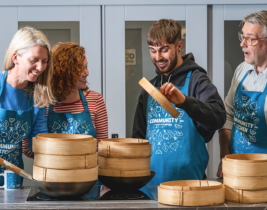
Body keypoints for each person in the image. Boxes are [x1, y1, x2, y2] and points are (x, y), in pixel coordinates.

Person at [132, 19, 226, 185]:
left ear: (179, 46)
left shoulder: (197, 80)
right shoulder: (149, 89)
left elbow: (218, 117)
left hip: (190, 187)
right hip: (150, 189)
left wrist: (184, 102)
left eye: (164, 50)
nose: (158, 57)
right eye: (152, 51)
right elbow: (137, 140)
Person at [0, 26, 55, 186]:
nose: (40, 67)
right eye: (34, 60)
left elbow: (39, 141)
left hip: (12, 180)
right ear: (15, 57)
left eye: (44, 61)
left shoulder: (37, 96)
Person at [217, 10, 267, 178]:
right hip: (235, 169)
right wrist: (225, 158)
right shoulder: (241, 70)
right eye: (242, 37)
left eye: (250, 39)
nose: (242, 44)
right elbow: (228, 115)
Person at [47, 42, 108, 143]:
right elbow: (29, 147)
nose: (86, 73)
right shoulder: (44, 104)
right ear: (64, 72)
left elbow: (102, 145)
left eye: (86, 67)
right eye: (80, 69)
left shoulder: (95, 100)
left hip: (88, 159)